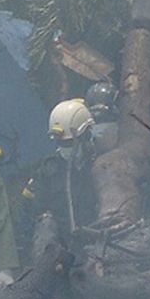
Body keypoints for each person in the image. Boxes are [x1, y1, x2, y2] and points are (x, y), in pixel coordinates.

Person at [21, 99, 99, 245]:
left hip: (97, 238)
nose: (66, 148)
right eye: (61, 143)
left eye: (69, 143)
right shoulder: (48, 170)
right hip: (62, 244)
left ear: (86, 135)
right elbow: (31, 209)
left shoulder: (102, 164)